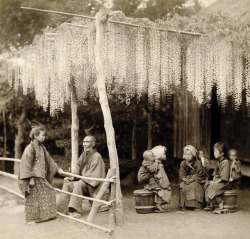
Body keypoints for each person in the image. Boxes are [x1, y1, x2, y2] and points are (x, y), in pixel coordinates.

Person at [18, 126, 64, 225]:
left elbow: (49, 159)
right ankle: (30, 220)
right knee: (32, 198)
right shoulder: (29, 148)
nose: (44, 137)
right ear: (35, 136)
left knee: (49, 192)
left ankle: (47, 216)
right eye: (42, 135)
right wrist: (30, 178)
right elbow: (26, 164)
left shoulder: (41, 147)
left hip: (40, 176)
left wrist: (58, 169)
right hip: (32, 177)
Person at [57, 135, 105, 218]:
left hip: (92, 185)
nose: (84, 144)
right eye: (84, 142)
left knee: (78, 184)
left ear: (93, 144)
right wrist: (72, 178)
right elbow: (78, 168)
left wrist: (81, 180)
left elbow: (94, 174)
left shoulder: (97, 156)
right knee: (67, 184)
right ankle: (60, 210)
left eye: (87, 142)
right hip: (84, 182)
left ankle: (75, 211)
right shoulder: (83, 155)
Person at [138, 146, 171, 212]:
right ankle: (158, 204)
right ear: (147, 159)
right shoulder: (147, 163)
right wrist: (156, 162)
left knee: (160, 186)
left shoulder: (150, 162)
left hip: (149, 177)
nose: (153, 157)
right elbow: (153, 170)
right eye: (151, 157)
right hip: (145, 178)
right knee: (158, 188)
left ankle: (159, 204)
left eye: (153, 156)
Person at [179, 145, 207, 210]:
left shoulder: (198, 163)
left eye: (189, 154)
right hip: (187, 179)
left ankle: (196, 205)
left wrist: (192, 179)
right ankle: (184, 205)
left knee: (194, 185)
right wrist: (184, 179)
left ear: (193, 155)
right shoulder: (183, 163)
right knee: (183, 185)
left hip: (197, 179)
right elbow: (181, 174)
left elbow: (200, 174)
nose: (187, 156)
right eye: (186, 154)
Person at [204, 142, 230, 211]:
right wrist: (213, 180)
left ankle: (220, 204)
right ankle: (211, 204)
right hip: (218, 181)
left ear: (222, 153)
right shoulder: (219, 161)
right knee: (207, 184)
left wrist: (215, 182)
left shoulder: (226, 163)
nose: (214, 153)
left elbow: (224, 178)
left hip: (224, 183)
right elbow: (214, 173)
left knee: (213, 186)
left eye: (216, 152)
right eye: (214, 152)